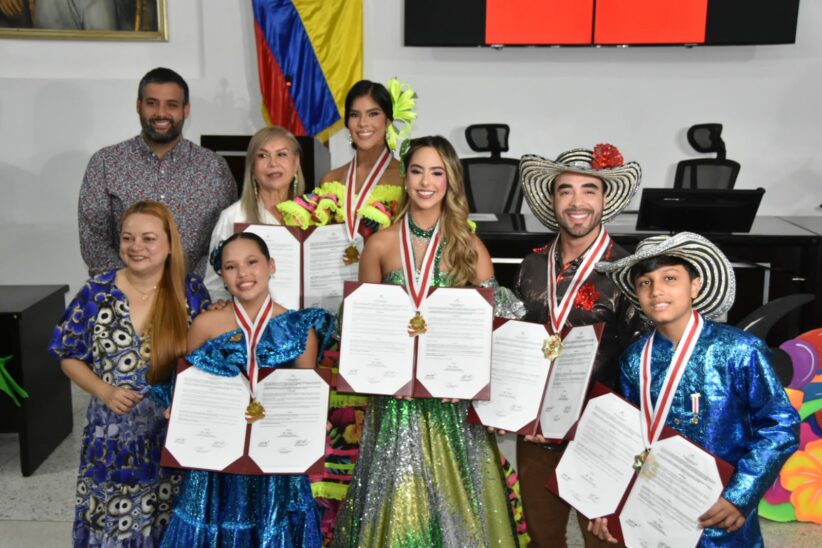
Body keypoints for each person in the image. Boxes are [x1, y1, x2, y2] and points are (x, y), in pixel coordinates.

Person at [331, 136, 520, 547]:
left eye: (437, 172)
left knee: (459, 509)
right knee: (398, 504)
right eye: (417, 171)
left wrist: (469, 377)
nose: (426, 182)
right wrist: (380, 372)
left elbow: (494, 327)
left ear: (450, 181)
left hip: (451, 403)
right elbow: (362, 325)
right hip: (396, 402)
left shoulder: (469, 246)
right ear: (405, 178)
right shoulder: (380, 244)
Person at [592, 232, 800, 546]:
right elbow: (626, 435)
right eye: (645, 282)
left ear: (695, 286)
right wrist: (606, 502)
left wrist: (741, 494)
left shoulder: (739, 350)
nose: (657, 290)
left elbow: (780, 425)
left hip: (721, 514)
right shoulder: (635, 359)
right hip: (654, 510)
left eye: (670, 278)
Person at [276, 78, 416, 541]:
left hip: (385, 316)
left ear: (388, 120)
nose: (363, 123)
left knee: (378, 423)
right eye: (355, 115)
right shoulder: (332, 179)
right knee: (336, 426)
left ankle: (378, 523)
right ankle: (333, 526)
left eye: (373, 114)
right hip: (334, 313)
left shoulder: (407, 177)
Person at [49, 200, 211, 546]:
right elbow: (67, 354)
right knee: (113, 526)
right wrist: (104, 390)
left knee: (168, 524)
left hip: (171, 436)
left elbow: (210, 356)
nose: (136, 246)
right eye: (127, 238)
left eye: (148, 238)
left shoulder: (190, 291)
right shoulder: (96, 291)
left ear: (170, 244)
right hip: (110, 439)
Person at [161, 231, 334, 547]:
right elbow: (186, 384)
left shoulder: (299, 328)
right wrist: (179, 407)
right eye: (231, 267)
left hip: (276, 462)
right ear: (222, 276)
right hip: (216, 467)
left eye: (252, 262)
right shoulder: (205, 325)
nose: (243, 273)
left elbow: (304, 391)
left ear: (271, 265)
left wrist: (313, 420)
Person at [512, 144, 647, 547]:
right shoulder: (531, 265)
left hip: (602, 431)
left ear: (605, 200)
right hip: (536, 432)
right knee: (543, 537)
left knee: (603, 540)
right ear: (553, 200)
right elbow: (516, 346)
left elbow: (641, 363)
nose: (577, 202)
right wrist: (511, 406)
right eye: (565, 190)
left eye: (590, 190)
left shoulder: (628, 272)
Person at [79, 67, 236, 277]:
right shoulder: (106, 163)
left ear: (185, 110)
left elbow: (225, 239)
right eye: (152, 103)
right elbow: (94, 242)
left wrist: (189, 285)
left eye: (171, 105)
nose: (161, 113)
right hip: (124, 291)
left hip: (197, 291)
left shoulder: (214, 168)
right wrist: (136, 286)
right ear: (138, 105)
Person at [203, 126, 305, 301]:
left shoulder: (316, 214)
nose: (273, 163)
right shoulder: (233, 217)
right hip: (251, 317)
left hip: (310, 315)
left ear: (296, 163)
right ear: (252, 166)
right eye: (263, 156)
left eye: (281, 154)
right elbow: (214, 287)